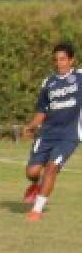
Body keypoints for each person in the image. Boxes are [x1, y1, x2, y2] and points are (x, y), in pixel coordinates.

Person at [20, 42, 79, 222]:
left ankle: (37, 210)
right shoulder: (48, 83)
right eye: (56, 60)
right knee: (32, 172)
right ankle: (36, 185)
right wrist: (31, 126)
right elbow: (42, 111)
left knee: (52, 168)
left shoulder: (80, 78)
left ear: (71, 60)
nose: (59, 63)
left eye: (63, 59)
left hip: (69, 135)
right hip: (46, 134)